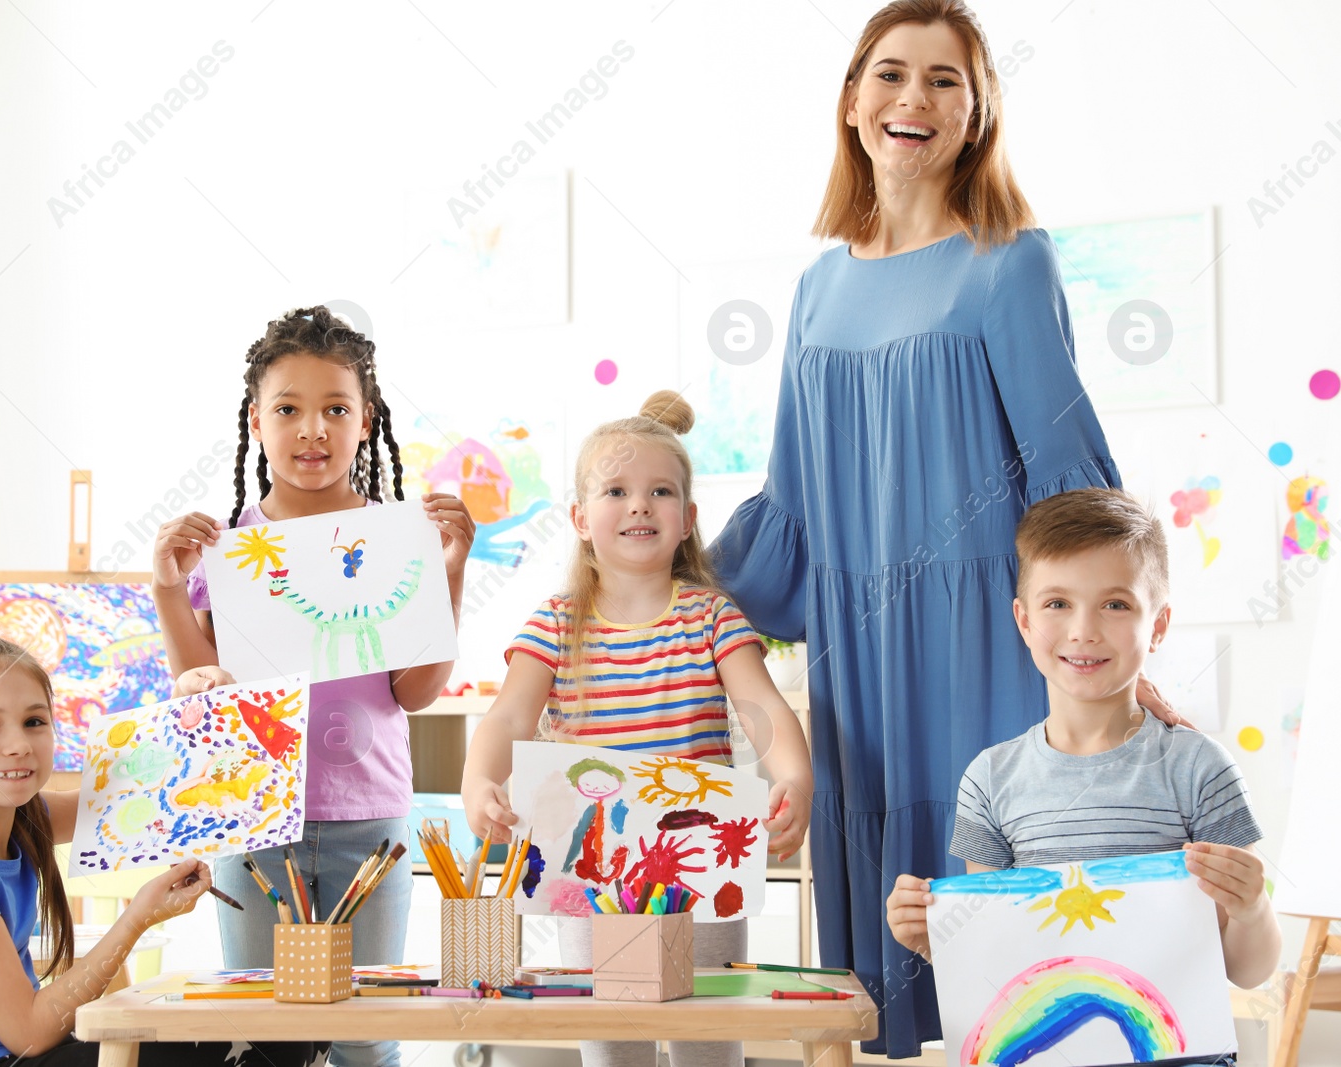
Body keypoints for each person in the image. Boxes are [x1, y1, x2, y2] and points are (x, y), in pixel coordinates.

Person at [707, 1, 1176, 1054]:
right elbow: (789, 505)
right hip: (862, 654)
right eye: (889, 74)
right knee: (889, 954)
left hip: (989, 649)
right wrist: (657, 572)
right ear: (851, 100)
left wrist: (1109, 632)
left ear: (977, 113)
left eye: (943, 80)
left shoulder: (1010, 261)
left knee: (1019, 971)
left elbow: (1063, 479)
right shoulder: (816, 288)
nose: (912, 99)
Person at [153, 305, 473, 1067]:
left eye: (336, 408)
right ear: (256, 423)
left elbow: (416, 691)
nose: (312, 429)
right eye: (288, 409)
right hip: (256, 821)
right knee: (263, 1033)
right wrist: (168, 589)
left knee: (368, 1034)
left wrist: (451, 571)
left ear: (366, 422)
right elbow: (204, 693)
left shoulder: (398, 542)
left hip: (371, 817)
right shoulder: (228, 552)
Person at [462, 391, 813, 1067]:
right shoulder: (558, 621)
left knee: (706, 1039)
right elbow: (509, 715)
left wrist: (794, 778)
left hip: (701, 875)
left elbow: (764, 707)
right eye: (616, 490)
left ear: (688, 519)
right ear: (579, 518)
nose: (639, 505)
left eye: (660, 491)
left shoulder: (711, 616)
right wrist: (480, 780)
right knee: (613, 1043)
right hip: (591, 875)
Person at [886, 489, 1279, 1063]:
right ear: (1023, 620)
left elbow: (1248, 969)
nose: (1083, 630)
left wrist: (1252, 910)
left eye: (1116, 605)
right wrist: (936, 939)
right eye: (1057, 604)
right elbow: (1001, 961)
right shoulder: (989, 780)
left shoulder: (1200, 768)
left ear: (1159, 623)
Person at [0, 618, 323, 1067]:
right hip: (4, 1059)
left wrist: (187, 713)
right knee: (267, 1050)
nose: (18, 744)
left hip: (23, 1054)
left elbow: (145, 784)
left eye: (33, 721)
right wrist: (137, 918)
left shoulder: (24, 819)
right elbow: (30, 1032)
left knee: (293, 1038)